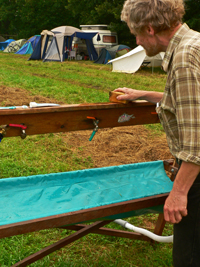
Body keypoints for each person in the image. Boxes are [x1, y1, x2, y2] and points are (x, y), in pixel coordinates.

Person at [114, 0, 200, 266]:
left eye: (136, 34)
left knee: (189, 256)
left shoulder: (184, 59)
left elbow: (197, 141)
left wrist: (179, 192)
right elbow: (188, 99)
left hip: (196, 174)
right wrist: (143, 95)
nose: (138, 42)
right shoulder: (194, 42)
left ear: (150, 29)